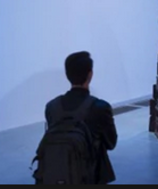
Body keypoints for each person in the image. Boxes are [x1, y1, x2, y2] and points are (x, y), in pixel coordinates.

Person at [45, 51, 118, 184]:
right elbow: (111, 143)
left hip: (57, 175)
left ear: (67, 74)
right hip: (91, 176)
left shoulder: (51, 106)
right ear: (90, 74)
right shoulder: (100, 107)